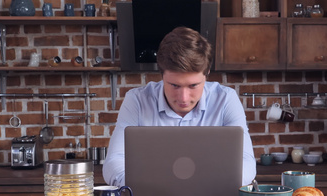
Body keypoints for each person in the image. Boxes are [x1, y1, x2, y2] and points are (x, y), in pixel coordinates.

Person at [103, 26, 256, 187]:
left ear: (207, 73)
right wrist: (143, 187)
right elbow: (114, 161)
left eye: (193, 85)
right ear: (161, 75)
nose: (183, 98)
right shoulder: (137, 100)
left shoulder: (225, 99)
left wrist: (218, 184)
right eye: (174, 85)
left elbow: (246, 160)